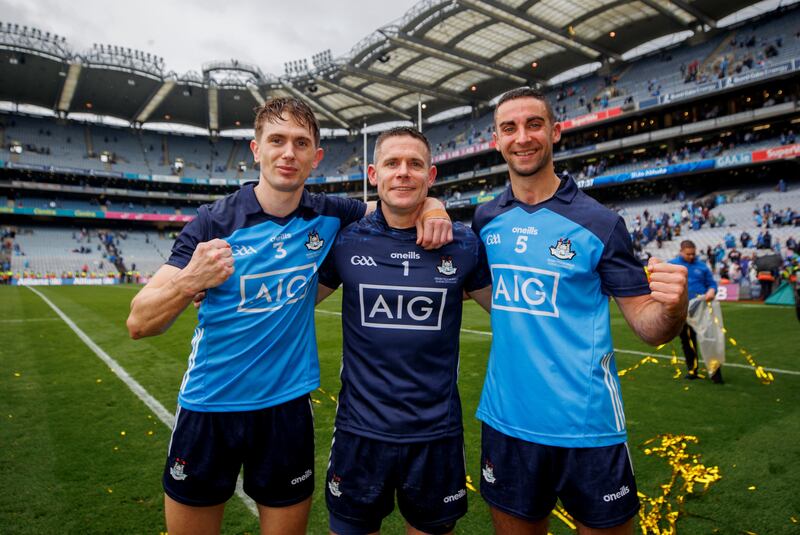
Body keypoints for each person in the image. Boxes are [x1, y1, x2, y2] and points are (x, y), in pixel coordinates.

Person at [125, 98, 451, 535]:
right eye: (276, 140)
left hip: (286, 409)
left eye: (301, 143)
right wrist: (190, 281)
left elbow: (398, 203)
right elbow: (140, 322)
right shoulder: (213, 222)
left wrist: (435, 207)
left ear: (315, 158)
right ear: (255, 149)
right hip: (208, 407)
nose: (288, 153)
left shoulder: (330, 214)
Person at [471, 87, 688, 535]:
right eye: (509, 127)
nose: (522, 137)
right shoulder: (485, 220)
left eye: (534, 124)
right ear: (496, 140)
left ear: (555, 130)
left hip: (588, 428)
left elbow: (649, 327)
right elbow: (486, 293)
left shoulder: (600, 223)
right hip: (506, 423)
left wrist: (673, 307)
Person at [316, 127, 493, 535]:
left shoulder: (463, 244)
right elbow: (292, 303)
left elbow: (510, 312)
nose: (403, 173)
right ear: (374, 174)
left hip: (435, 435)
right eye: (393, 164)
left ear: (431, 176)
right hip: (359, 433)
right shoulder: (345, 242)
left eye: (415, 164)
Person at [669, 240, 720, 382]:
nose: (691, 256)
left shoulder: (702, 267)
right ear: (681, 252)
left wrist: (711, 290)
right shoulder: (672, 264)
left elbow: (712, 284)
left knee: (709, 339)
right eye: (688, 254)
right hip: (682, 310)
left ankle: (715, 372)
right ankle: (692, 370)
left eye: (693, 254)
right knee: (687, 341)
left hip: (701, 309)